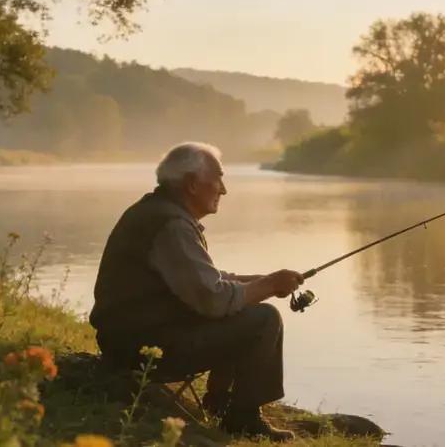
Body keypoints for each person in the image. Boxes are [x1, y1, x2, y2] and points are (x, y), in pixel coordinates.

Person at [89, 142, 304, 442]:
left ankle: (220, 404)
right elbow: (213, 299)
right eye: (218, 178)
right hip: (140, 348)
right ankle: (241, 418)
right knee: (264, 318)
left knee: (243, 307)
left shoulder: (158, 213)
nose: (224, 190)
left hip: (130, 338)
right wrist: (267, 287)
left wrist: (265, 280)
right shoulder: (171, 225)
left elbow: (203, 281)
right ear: (192, 184)